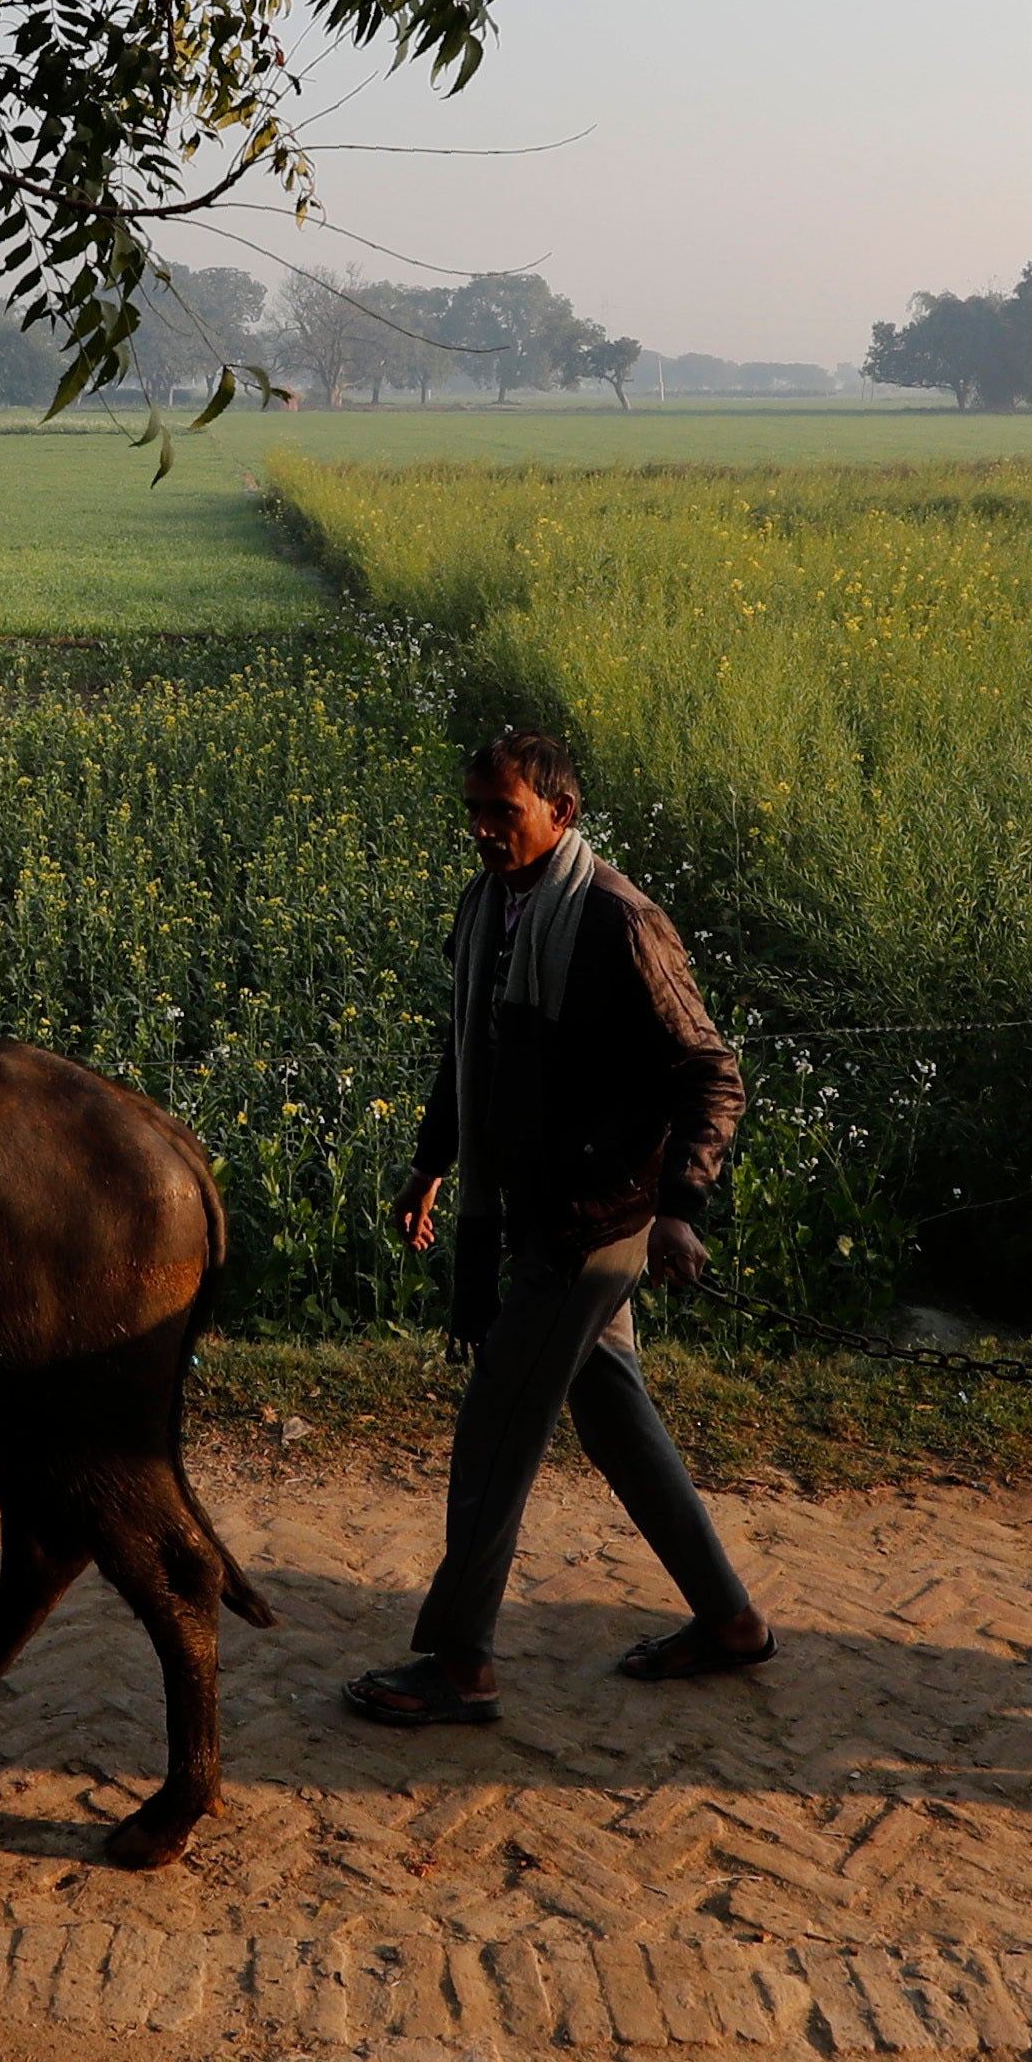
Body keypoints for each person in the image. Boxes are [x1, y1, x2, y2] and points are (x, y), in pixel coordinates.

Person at [344, 725, 772, 1728]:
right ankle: (730, 1621)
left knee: (495, 1427)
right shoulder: (490, 905)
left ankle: (460, 1663)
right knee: (617, 1420)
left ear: (561, 813)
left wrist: (679, 1209)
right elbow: (472, 1046)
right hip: (536, 1208)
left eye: (507, 811)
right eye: (477, 812)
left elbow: (712, 1070)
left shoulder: (619, 923)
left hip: (593, 1223)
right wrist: (431, 1162)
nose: (487, 831)